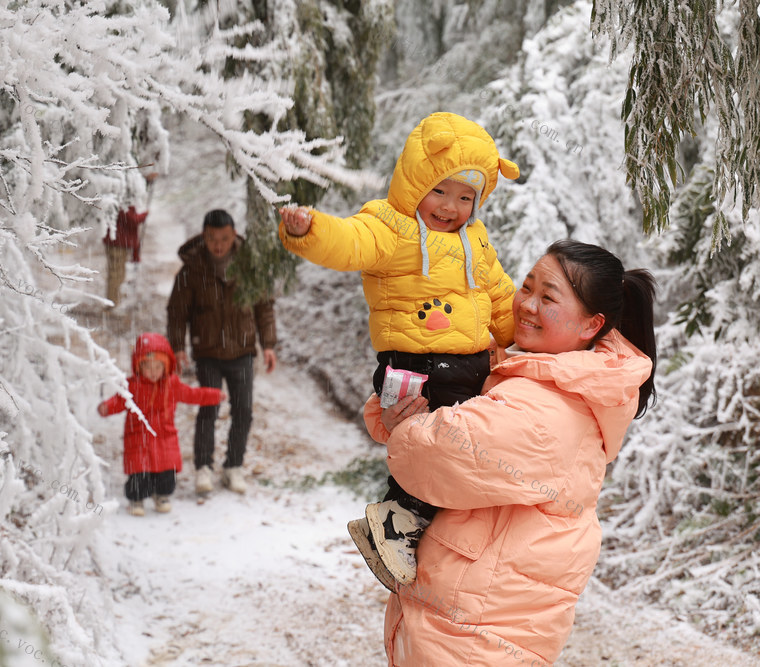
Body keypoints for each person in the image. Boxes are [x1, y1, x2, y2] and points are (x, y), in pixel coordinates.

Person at [364, 240, 656, 665]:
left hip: (477, 637)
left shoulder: (548, 409)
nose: (528, 305)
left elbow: (437, 456)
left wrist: (402, 426)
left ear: (591, 325)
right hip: (469, 623)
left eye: (549, 297)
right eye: (527, 287)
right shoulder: (542, 380)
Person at [278, 112, 520, 590]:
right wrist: (311, 230)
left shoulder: (477, 242)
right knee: (450, 441)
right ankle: (398, 518)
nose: (451, 206)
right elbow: (350, 242)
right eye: (440, 190)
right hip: (417, 365)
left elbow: (499, 295)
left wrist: (526, 334)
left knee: (456, 446)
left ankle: (401, 523)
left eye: (466, 196)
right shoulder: (391, 227)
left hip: (466, 363)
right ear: (414, 183)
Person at [166, 209, 277, 496]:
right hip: (208, 352)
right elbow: (177, 312)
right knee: (209, 409)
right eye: (213, 239)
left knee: (243, 410)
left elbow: (264, 306)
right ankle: (204, 467)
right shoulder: (192, 269)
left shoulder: (248, 266)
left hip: (242, 350)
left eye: (224, 238)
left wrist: (268, 344)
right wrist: (177, 346)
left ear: (233, 235)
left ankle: (233, 466)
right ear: (204, 236)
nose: (218, 245)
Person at [97, 332, 225, 515]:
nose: (154, 372)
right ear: (139, 366)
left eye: (158, 367)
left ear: (166, 366)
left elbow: (192, 394)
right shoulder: (132, 386)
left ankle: (161, 494)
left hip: (165, 436)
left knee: (167, 472)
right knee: (139, 473)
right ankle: (137, 498)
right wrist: (107, 407)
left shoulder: (172, 384)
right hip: (138, 437)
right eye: (148, 367)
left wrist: (213, 395)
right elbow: (118, 401)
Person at [103, 173, 156, 307]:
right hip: (117, 242)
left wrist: (148, 182)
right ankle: (112, 304)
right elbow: (132, 220)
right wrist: (145, 215)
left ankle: (112, 302)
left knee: (115, 274)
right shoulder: (123, 200)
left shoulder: (123, 197)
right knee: (116, 275)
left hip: (117, 241)